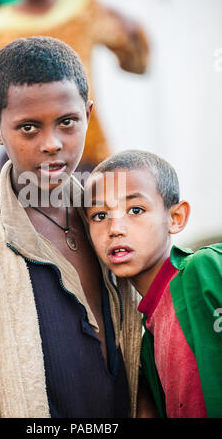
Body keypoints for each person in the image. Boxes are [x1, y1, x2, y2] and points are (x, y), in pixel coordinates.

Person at [0, 37, 149, 418]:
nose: (51, 144)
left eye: (67, 122)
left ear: (88, 116)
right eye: (28, 127)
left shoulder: (113, 219)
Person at [0, 0, 149, 177]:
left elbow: (136, 62)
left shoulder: (84, 11)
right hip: (27, 166)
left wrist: (130, 31)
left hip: (86, 155)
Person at [84, 149, 222, 418]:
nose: (115, 228)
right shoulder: (147, 343)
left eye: (135, 210)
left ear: (175, 218)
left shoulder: (203, 270)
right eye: (99, 215)